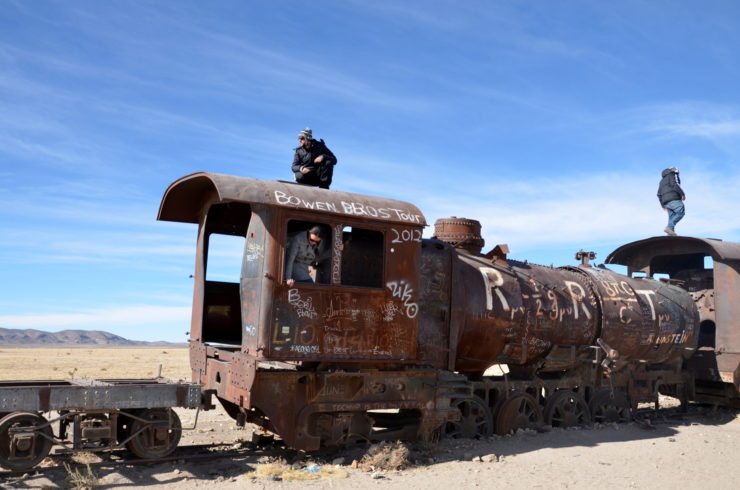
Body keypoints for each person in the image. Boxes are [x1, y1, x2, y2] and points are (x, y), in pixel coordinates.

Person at [657, 167, 686, 236]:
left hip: (666, 202)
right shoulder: (673, 174)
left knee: (672, 218)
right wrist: (682, 194)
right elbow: (675, 184)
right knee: (680, 212)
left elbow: (658, 194)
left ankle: (670, 235)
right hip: (674, 198)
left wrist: (662, 205)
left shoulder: (661, 181)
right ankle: (669, 228)